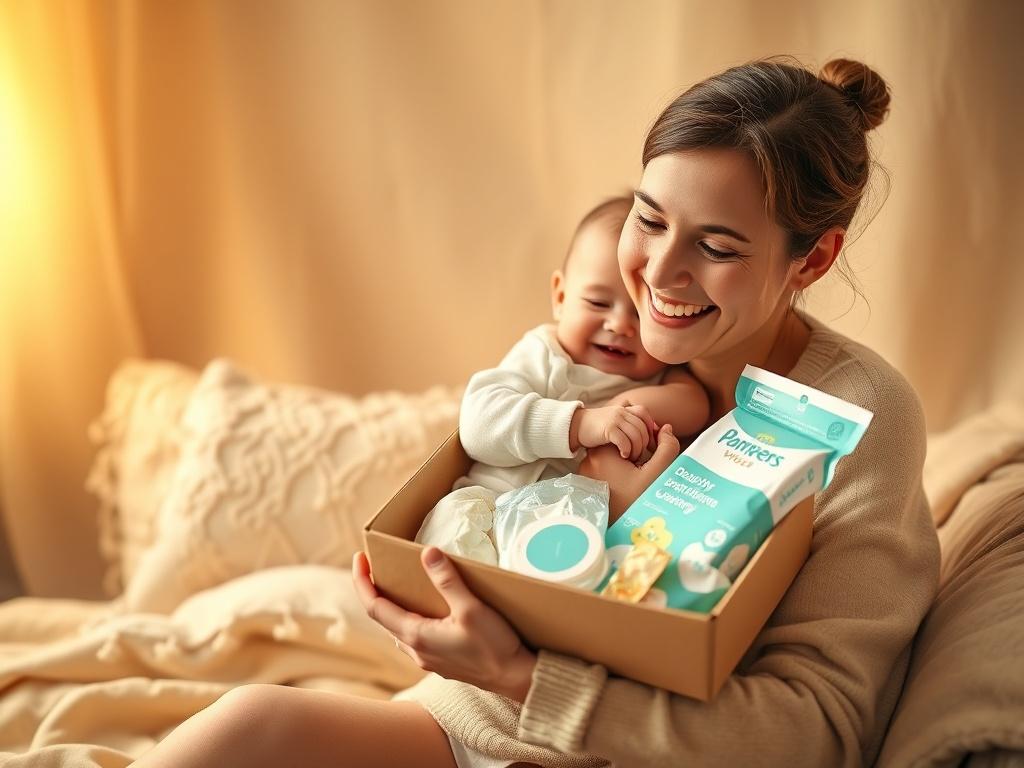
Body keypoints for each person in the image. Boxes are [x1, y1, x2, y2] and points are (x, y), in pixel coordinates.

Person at [132, 57, 941, 768]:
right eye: (649, 218)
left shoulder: (859, 415)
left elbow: (819, 734)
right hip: (476, 722)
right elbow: (497, 453)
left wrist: (518, 675)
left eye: (718, 247)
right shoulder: (607, 350)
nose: (656, 275)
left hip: (614, 734)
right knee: (250, 723)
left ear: (817, 256)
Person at [417, 196, 710, 564]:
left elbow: (696, 407)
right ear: (560, 296)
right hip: (488, 511)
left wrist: (626, 406)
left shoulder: (662, 376)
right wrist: (582, 424)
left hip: (568, 537)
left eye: (641, 311)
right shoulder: (545, 353)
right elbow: (478, 424)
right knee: (449, 533)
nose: (619, 325)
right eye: (598, 303)